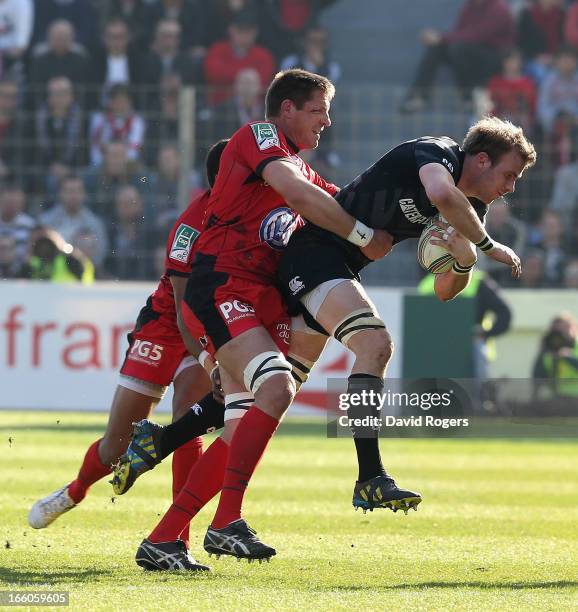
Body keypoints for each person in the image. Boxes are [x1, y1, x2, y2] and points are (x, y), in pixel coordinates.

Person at [126, 68, 392, 570]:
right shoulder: (258, 136)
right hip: (222, 283)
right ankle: (226, 522)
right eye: (318, 110)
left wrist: (425, 218)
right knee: (276, 389)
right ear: (286, 108)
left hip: (258, 298)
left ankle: (163, 539)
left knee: (244, 418)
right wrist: (362, 234)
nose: (326, 122)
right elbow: (302, 197)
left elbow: (341, 199)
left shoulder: (303, 168)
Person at [275, 116, 535, 516]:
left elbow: (447, 291)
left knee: (271, 392)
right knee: (375, 344)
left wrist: (464, 263)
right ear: (481, 160)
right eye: (509, 174)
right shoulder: (437, 152)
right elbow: (440, 193)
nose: (511, 187)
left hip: (341, 268)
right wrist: (487, 246)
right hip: (314, 252)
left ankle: (164, 440)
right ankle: (370, 477)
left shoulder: (472, 211)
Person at [27, 143, 230, 567]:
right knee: (115, 446)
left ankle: (174, 542)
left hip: (210, 326)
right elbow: (181, 306)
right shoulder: (193, 224)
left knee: (188, 423)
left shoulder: (257, 214)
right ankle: (75, 490)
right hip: (169, 325)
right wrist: (210, 357)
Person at [400, 0, 515, 112]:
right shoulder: (470, 6)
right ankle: (420, 96)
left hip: (494, 58)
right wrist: (439, 40)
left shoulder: (499, 8)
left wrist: (441, 38)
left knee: (457, 48)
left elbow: (478, 35)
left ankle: (468, 96)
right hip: (470, 51)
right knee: (436, 48)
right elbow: (459, 32)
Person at [533, 313, 578, 398]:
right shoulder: (548, 352)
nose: (561, 334)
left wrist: (567, 357)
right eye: (557, 331)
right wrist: (542, 353)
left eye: (564, 329)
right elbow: (538, 379)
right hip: (559, 400)